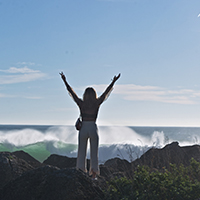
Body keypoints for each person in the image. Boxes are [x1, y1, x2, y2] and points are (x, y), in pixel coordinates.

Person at [60, 72, 120, 180]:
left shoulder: (81, 103)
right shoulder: (97, 103)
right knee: (94, 152)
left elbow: (72, 93)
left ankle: (81, 172)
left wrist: (65, 81)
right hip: (93, 127)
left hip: (83, 129)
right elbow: (106, 92)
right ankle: (93, 175)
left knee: (81, 152)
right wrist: (114, 81)